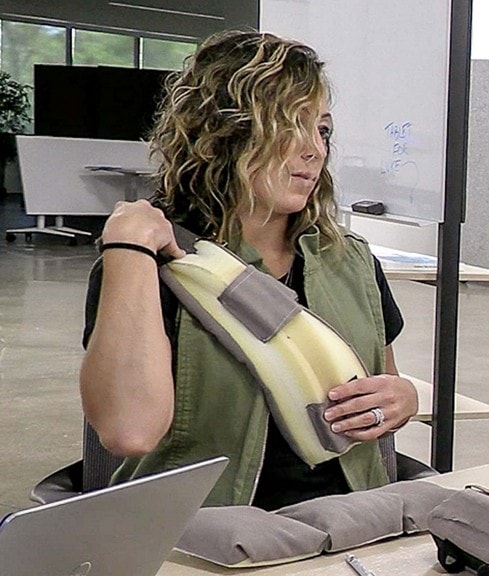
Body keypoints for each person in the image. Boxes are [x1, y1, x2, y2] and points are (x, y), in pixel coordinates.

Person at [79, 29, 418, 510]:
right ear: (223, 132)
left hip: (347, 529)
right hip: (204, 542)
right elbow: (128, 431)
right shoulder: (150, 264)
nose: (314, 150)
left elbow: (384, 384)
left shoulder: (350, 261)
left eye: (321, 129)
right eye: (289, 125)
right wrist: (127, 247)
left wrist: (402, 400)